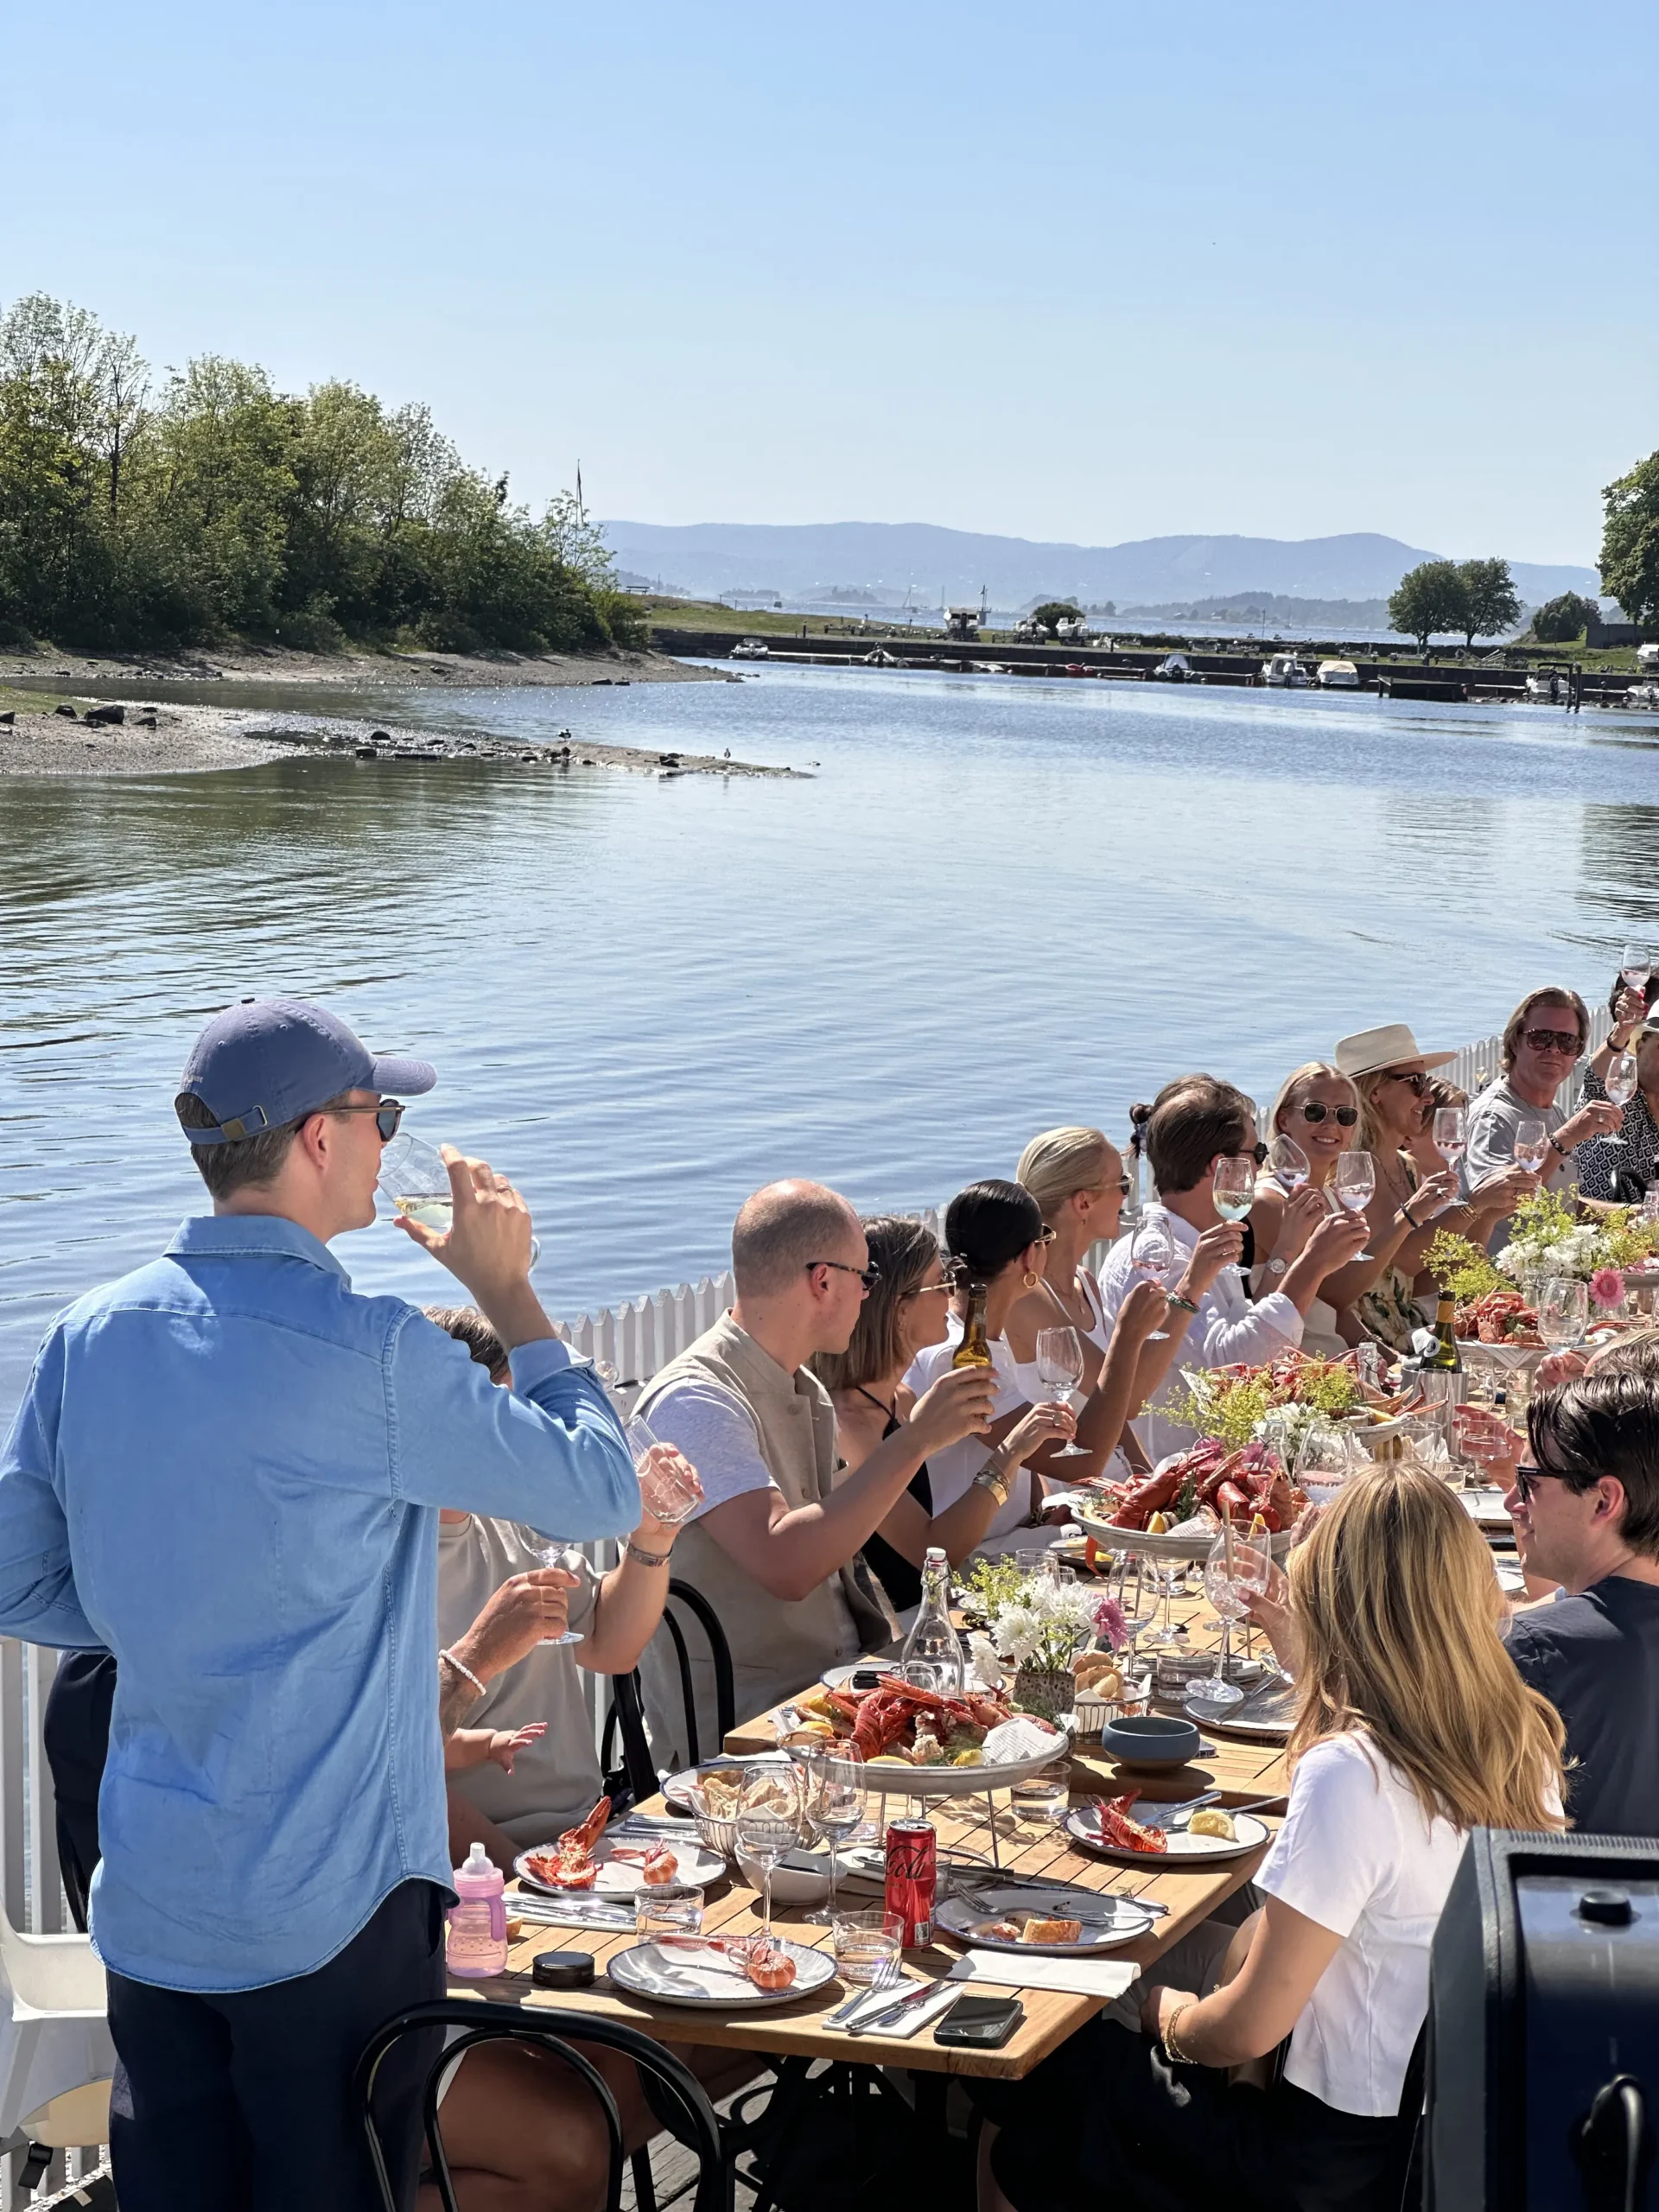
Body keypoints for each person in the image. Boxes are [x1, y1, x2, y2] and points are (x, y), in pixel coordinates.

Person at [0, 996, 639, 2212]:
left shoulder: (91, 1335)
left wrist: (184, 1621)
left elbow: (18, 1576)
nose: (390, 1140)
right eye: (379, 1114)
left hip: (157, 1898)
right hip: (331, 1903)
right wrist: (510, 1295)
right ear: (316, 1139)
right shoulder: (378, 1351)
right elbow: (602, 1490)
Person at [982, 1465, 1565, 2212]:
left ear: (1340, 1604)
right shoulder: (1522, 1742)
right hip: (1433, 2150)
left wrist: (1164, 2018)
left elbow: (1246, 2031)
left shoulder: (1352, 1774)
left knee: (1044, 2055)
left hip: (1306, 2169)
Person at [636, 1180, 997, 1758]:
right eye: (865, 1279)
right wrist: (918, 1441)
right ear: (823, 1280)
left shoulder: (800, 1385)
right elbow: (786, 1564)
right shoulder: (696, 1399)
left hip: (829, 1698)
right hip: (748, 1731)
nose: (867, 1296)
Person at [427, 1306, 702, 1867]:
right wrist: (531, 1877)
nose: (525, 1428)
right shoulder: (381, 1558)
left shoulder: (514, 1513)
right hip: (489, 1864)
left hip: (590, 1831)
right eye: (505, 1409)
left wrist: (652, 1536)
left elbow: (610, 1643)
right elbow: (394, 1773)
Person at [1096, 1077, 1370, 1460]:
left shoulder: (1199, 1240)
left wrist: (1290, 1251)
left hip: (1216, 1460)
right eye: (1256, 1152)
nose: (1262, 1164)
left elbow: (1243, 1327)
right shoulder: (1159, 1257)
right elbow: (1232, 1367)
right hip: (1173, 1475)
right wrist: (1312, 1266)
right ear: (1220, 1167)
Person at [812, 1217, 1077, 1612]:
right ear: (901, 1311)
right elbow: (931, 1552)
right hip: (896, 1635)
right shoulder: (849, 1423)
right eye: (942, 1285)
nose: (955, 1295)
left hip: (942, 1607)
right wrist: (1010, 1453)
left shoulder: (901, 1398)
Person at [1481, 1370, 1659, 1837]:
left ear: (1604, 1501)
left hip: (1581, 1909)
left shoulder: (1534, 1655)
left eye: (1530, 1482)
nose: (1511, 1503)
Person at [1007, 1126, 1232, 1478]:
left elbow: (1119, 1420)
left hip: (1110, 1483)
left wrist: (1151, 1483)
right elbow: (1126, 1399)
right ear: (1083, 1202)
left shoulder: (1085, 1283)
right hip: (1069, 1497)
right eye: (1122, 1186)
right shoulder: (1029, 1298)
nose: (1128, 1198)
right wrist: (1189, 1288)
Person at [901, 1181, 1090, 1558]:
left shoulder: (985, 1338)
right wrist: (1130, 1343)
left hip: (1013, 1540)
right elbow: (1083, 1462)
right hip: (977, 1560)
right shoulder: (956, 1355)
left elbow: (1014, 1457)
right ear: (1028, 1258)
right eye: (1044, 1239)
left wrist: (1041, 1509)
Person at [1328, 1025, 1518, 1351]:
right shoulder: (1354, 1172)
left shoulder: (1407, 1166)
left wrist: (1486, 1216)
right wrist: (1473, 1205)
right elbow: (1395, 1263)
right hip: (1369, 1341)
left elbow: (1417, 1280)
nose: (1427, 1097)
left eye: (1426, 1083)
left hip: (1414, 1328)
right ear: (1376, 1093)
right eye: (1416, 1083)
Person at [1462, 987, 1625, 1249]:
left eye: (1566, 1041)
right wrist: (1567, 1136)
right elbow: (1492, 1201)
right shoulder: (1493, 1117)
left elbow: (1565, 1205)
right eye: (1540, 1038)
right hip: (1501, 1282)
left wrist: (1630, 1215)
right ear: (1514, 1042)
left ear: (1577, 1051)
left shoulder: (1552, 1110)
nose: (1554, 1050)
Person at [1579, 1000, 1659, 1203]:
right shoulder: (1619, 1087)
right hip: (1589, 1225)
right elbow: (1595, 1078)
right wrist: (1621, 1032)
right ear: (1640, 1047)